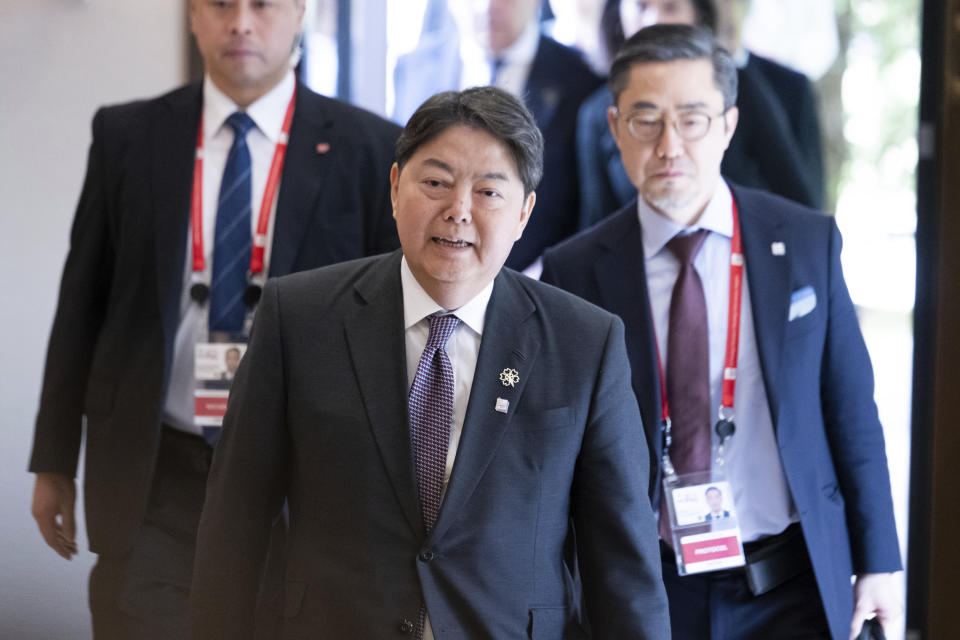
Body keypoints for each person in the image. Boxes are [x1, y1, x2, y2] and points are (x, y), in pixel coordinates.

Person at [190, 86, 670, 639]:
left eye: (489, 191)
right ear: (395, 188)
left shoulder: (586, 342)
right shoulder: (298, 318)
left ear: (524, 213)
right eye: (436, 182)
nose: (458, 211)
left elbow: (623, 566)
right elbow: (234, 526)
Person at [28, 1, 401, 637]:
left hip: (304, 477)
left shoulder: (371, 147)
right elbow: (82, 300)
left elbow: (388, 328)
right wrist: (55, 458)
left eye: (264, 5)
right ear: (193, 16)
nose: (242, 23)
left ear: (301, 14)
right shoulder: (129, 135)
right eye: (221, 3)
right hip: (158, 469)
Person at [542, 24, 902, 640]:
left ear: (729, 126)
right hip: (647, 592)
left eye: (693, 119)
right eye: (646, 120)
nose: (670, 145)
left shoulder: (806, 243)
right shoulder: (575, 270)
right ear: (614, 129)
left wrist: (881, 561)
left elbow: (851, 413)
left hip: (790, 584)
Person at [576, 0, 823, 231]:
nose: (652, 21)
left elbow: (800, 200)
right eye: (641, 6)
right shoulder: (595, 114)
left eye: (670, 7)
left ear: (698, 16)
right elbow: (595, 226)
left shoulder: (739, 90)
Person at [392, 0, 602, 271]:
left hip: (541, 282)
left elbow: (588, 210)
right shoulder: (414, 69)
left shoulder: (582, 82)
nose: (488, 7)